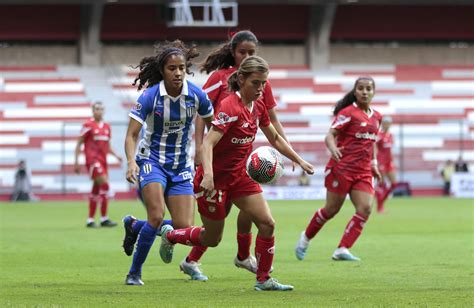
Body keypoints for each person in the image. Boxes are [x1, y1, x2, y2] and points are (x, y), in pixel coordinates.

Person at [158, 56, 314, 291]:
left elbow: (274, 137)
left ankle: (263, 280)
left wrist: (299, 159)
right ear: (241, 79)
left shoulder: (258, 105)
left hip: (240, 177)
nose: (261, 88)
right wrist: (208, 174)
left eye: (263, 83)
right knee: (212, 239)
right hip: (214, 181)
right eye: (256, 83)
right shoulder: (230, 106)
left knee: (267, 223)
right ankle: (171, 236)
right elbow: (208, 144)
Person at [182, 30, 295, 281]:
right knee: (218, 223)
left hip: (241, 162)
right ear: (233, 51)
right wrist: (199, 149)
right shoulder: (220, 78)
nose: (247, 56)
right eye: (243, 51)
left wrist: (290, 152)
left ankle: (245, 259)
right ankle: (195, 257)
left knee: (254, 212)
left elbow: (272, 122)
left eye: (252, 52)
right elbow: (203, 112)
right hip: (218, 156)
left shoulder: (259, 81)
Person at [122, 40, 214, 286]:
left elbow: (213, 126)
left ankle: (134, 225)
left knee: (185, 228)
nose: (178, 72)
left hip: (181, 166)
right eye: (172, 68)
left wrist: (203, 155)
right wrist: (132, 162)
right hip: (152, 161)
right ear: (162, 71)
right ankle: (134, 273)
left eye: (182, 68)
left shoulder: (197, 95)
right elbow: (131, 135)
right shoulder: (150, 96)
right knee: (156, 216)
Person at [295, 76, 382, 262]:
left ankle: (342, 249)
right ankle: (306, 237)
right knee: (331, 210)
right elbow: (330, 135)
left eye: (368, 88)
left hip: (363, 171)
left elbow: (372, 142)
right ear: (355, 91)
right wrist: (333, 148)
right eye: (361, 88)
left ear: (374, 92)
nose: (365, 92)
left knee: (365, 208)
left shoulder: (377, 117)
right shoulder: (348, 113)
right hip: (342, 168)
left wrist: (374, 164)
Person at [74, 101, 122, 228]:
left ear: (104, 111)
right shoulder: (88, 125)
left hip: (103, 161)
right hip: (92, 161)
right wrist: (76, 162)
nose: (99, 111)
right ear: (93, 111)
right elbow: (79, 143)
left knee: (96, 189)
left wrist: (116, 155)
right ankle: (104, 218)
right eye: (97, 109)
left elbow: (107, 145)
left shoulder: (107, 127)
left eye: (101, 109)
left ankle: (90, 220)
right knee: (105, 186)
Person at [374, 116, 397, 213]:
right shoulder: (379, 135)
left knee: (394, 184)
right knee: (382, 184)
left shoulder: (391, 136)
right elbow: (374, 146)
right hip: (381, 162)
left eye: (388, 123)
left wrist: (392, 160)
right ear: (382, 124)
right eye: (385, 123)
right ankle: (380, 207)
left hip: (389, 162)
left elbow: (390, 149)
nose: (386, 125)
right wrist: (375, 160)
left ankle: (380, 202)